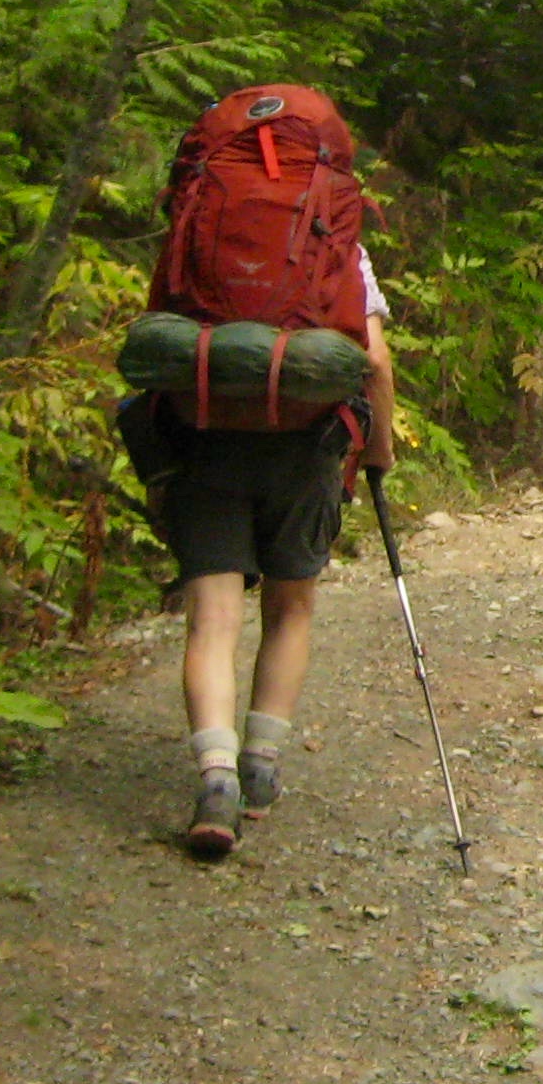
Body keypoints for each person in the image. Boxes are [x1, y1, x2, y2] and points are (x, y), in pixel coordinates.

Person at [127, 250, 396, 860]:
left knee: (213, 619)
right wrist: (378, 450)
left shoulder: (199, 221)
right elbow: (374, 360)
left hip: (202, 442)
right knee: (291, 608)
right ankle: (260, 768)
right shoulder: (342, 244)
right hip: (306, 448)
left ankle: (215, 783)